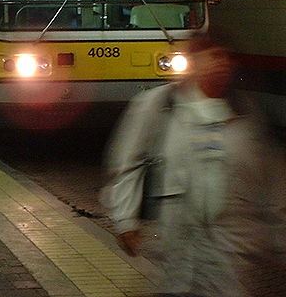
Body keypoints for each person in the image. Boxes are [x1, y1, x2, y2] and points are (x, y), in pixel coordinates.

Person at [102, 34, 286, 296]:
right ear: (192, 61)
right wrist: (125, 219)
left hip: (231, 243)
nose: (222, 63)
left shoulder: (246, 113)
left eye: (226, 57)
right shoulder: (158, 105)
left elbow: (272, 181)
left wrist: (280, 235)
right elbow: (127, 163)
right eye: (213, 55)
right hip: (176, 235)